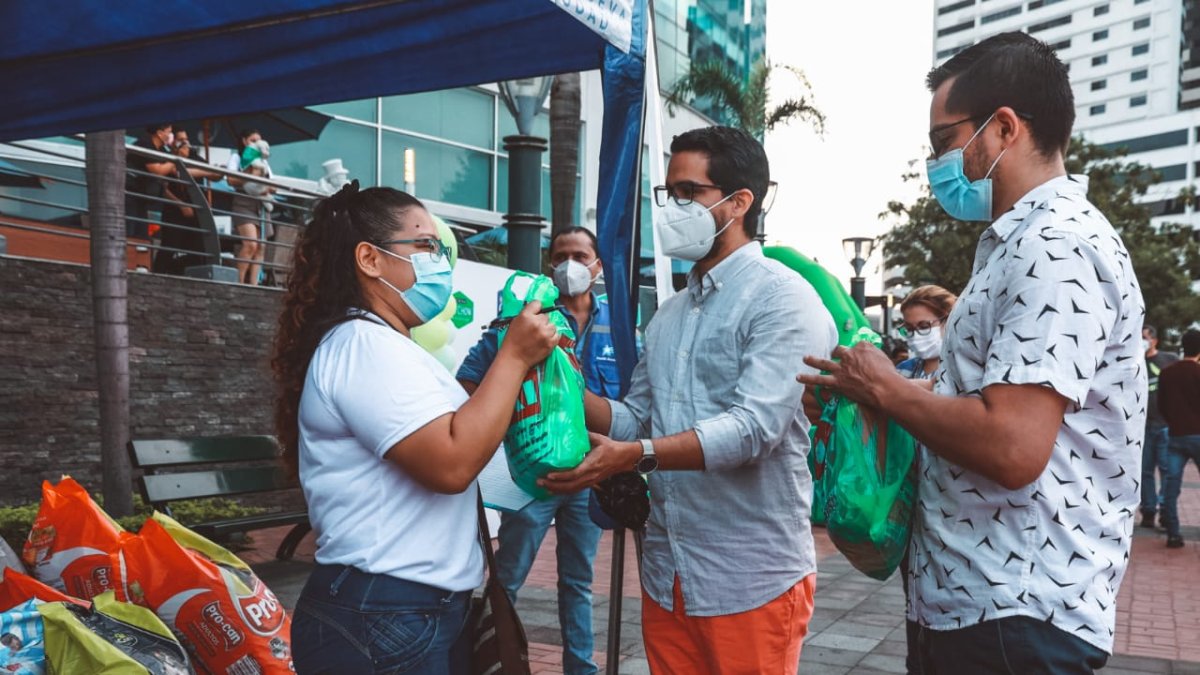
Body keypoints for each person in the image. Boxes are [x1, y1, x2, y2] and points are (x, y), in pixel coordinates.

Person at [799, 32, 1144, 673]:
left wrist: (886, 388)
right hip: (973, 601)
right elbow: (981, 404)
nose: (936, 163)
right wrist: (869, 397)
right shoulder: (1015, 245)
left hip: (1015, 614)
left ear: (1004, 127)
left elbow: (1012, 445)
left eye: (943, 141)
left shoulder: (1057, 247)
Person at [541, 126, 837, 673]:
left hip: (748, 576)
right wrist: (555, 379)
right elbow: (636, 417)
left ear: (739, 202)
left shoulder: (784, 299)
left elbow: (754, 430)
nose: (673, 207)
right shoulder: (672, 312)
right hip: (667, 571)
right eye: (668, 194)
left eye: (689, 193)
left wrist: (636, 456)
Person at [273, 181, 559, 673]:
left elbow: (455, 432)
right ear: (370, 258)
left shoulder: (387, 344)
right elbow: (449, 464)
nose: (440, 261)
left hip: (403, 608)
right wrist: (513, 355)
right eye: (425, 245)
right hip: (382, 610)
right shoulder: (364, 345)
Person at [456, 226, 617, 675]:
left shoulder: (618, 328)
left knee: (578, 583)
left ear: (597, 266)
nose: (571, 266)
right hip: (532, 477)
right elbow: (466, 383)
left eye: (581, 256)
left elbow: (628, 403)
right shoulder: (521, 323)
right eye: (561, 255)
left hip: (589, 475)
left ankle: (581, 669)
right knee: (508, 577)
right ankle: (487, 660)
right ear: (549, 266)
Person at [1158, 329, 1200, 549]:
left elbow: (1162, 405)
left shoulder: (1167, 373)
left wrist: (1174, 421)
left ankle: (1173, 534)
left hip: (1175, 436)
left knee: (1171, 486)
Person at [1140, 325, 1179, 529]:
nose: (1142, 342)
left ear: (1154, 341)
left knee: (1166, 470)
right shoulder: (1135, 362)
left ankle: (1164, 510)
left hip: (1164, 425)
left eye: (1145, 338)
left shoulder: (1169, 359)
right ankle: (1148, 510)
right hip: (1143, 426)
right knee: (1145, 471)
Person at [226, 129, 271, 285]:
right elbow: (230, 179)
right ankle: (238, 281)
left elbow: (273, 186)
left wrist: (266, 187)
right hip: (244, 202)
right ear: (244, 141)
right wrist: (250, 179)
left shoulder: (264, 162)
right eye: (253, 140)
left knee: (261, 247)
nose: (256, 144)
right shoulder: (237, 157)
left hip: (261, 204)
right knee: (250, 244)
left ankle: (253, 284)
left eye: (259, 140)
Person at [126, 124, 177, 240]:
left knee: (141, 233)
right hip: (130, 194)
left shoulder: (162, 150)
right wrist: (175, 159)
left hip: (141, 196)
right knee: (130, 230)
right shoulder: (145, 144)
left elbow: (173, 169)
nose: (170, 136)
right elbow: (157, 170)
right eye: (169, 132)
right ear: (159, 133)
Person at [895, 285, 957, 381]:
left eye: (924, 326)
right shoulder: (902, 370)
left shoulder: (965, 371)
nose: (915, 335)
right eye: (909, 329)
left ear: (948, 322)